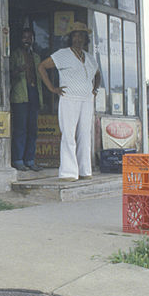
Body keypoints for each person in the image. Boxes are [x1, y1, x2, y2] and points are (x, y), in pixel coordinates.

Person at [38, 21, 101, 181]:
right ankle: (68, 172)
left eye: (81, 35)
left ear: (85, 38)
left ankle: (84, 171)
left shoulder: (90, 58)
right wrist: (52, 88)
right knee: (68, 135)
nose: (78, 38)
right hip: (69, 98)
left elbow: (97, 74)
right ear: (70, 38)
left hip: (87, 100)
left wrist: (95, 89)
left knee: (85, 135)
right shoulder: (62, 54)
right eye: (75, 35)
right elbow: (42, 67)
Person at [9, 27, 43, 172]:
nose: (27, 40)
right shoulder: (14, 55)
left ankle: (30, 160)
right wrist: (18, 70)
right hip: (20, 95)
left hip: (33, 93)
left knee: (32, 130)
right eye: (24, 37)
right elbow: (7, 74)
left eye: (30, 38)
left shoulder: (36, 57)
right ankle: (18, 160)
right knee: (20, 129)